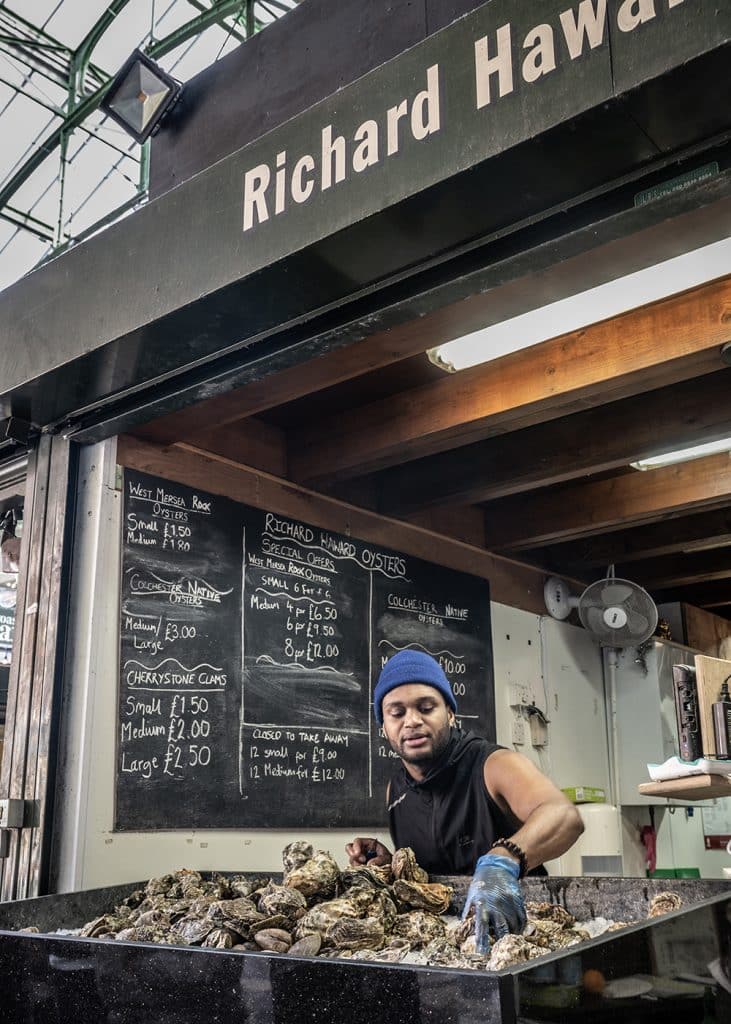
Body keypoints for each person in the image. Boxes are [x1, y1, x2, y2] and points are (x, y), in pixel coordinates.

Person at [346, 649, 584, 952]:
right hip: (446, 948)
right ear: (384, 727)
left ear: (449, 712)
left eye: (426, 707)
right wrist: (390, 864)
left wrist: (503, 861)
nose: (412, 721)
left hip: (518, 940)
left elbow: (565, 817)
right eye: (397, 713)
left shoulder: (493, 764)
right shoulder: (396, 790)